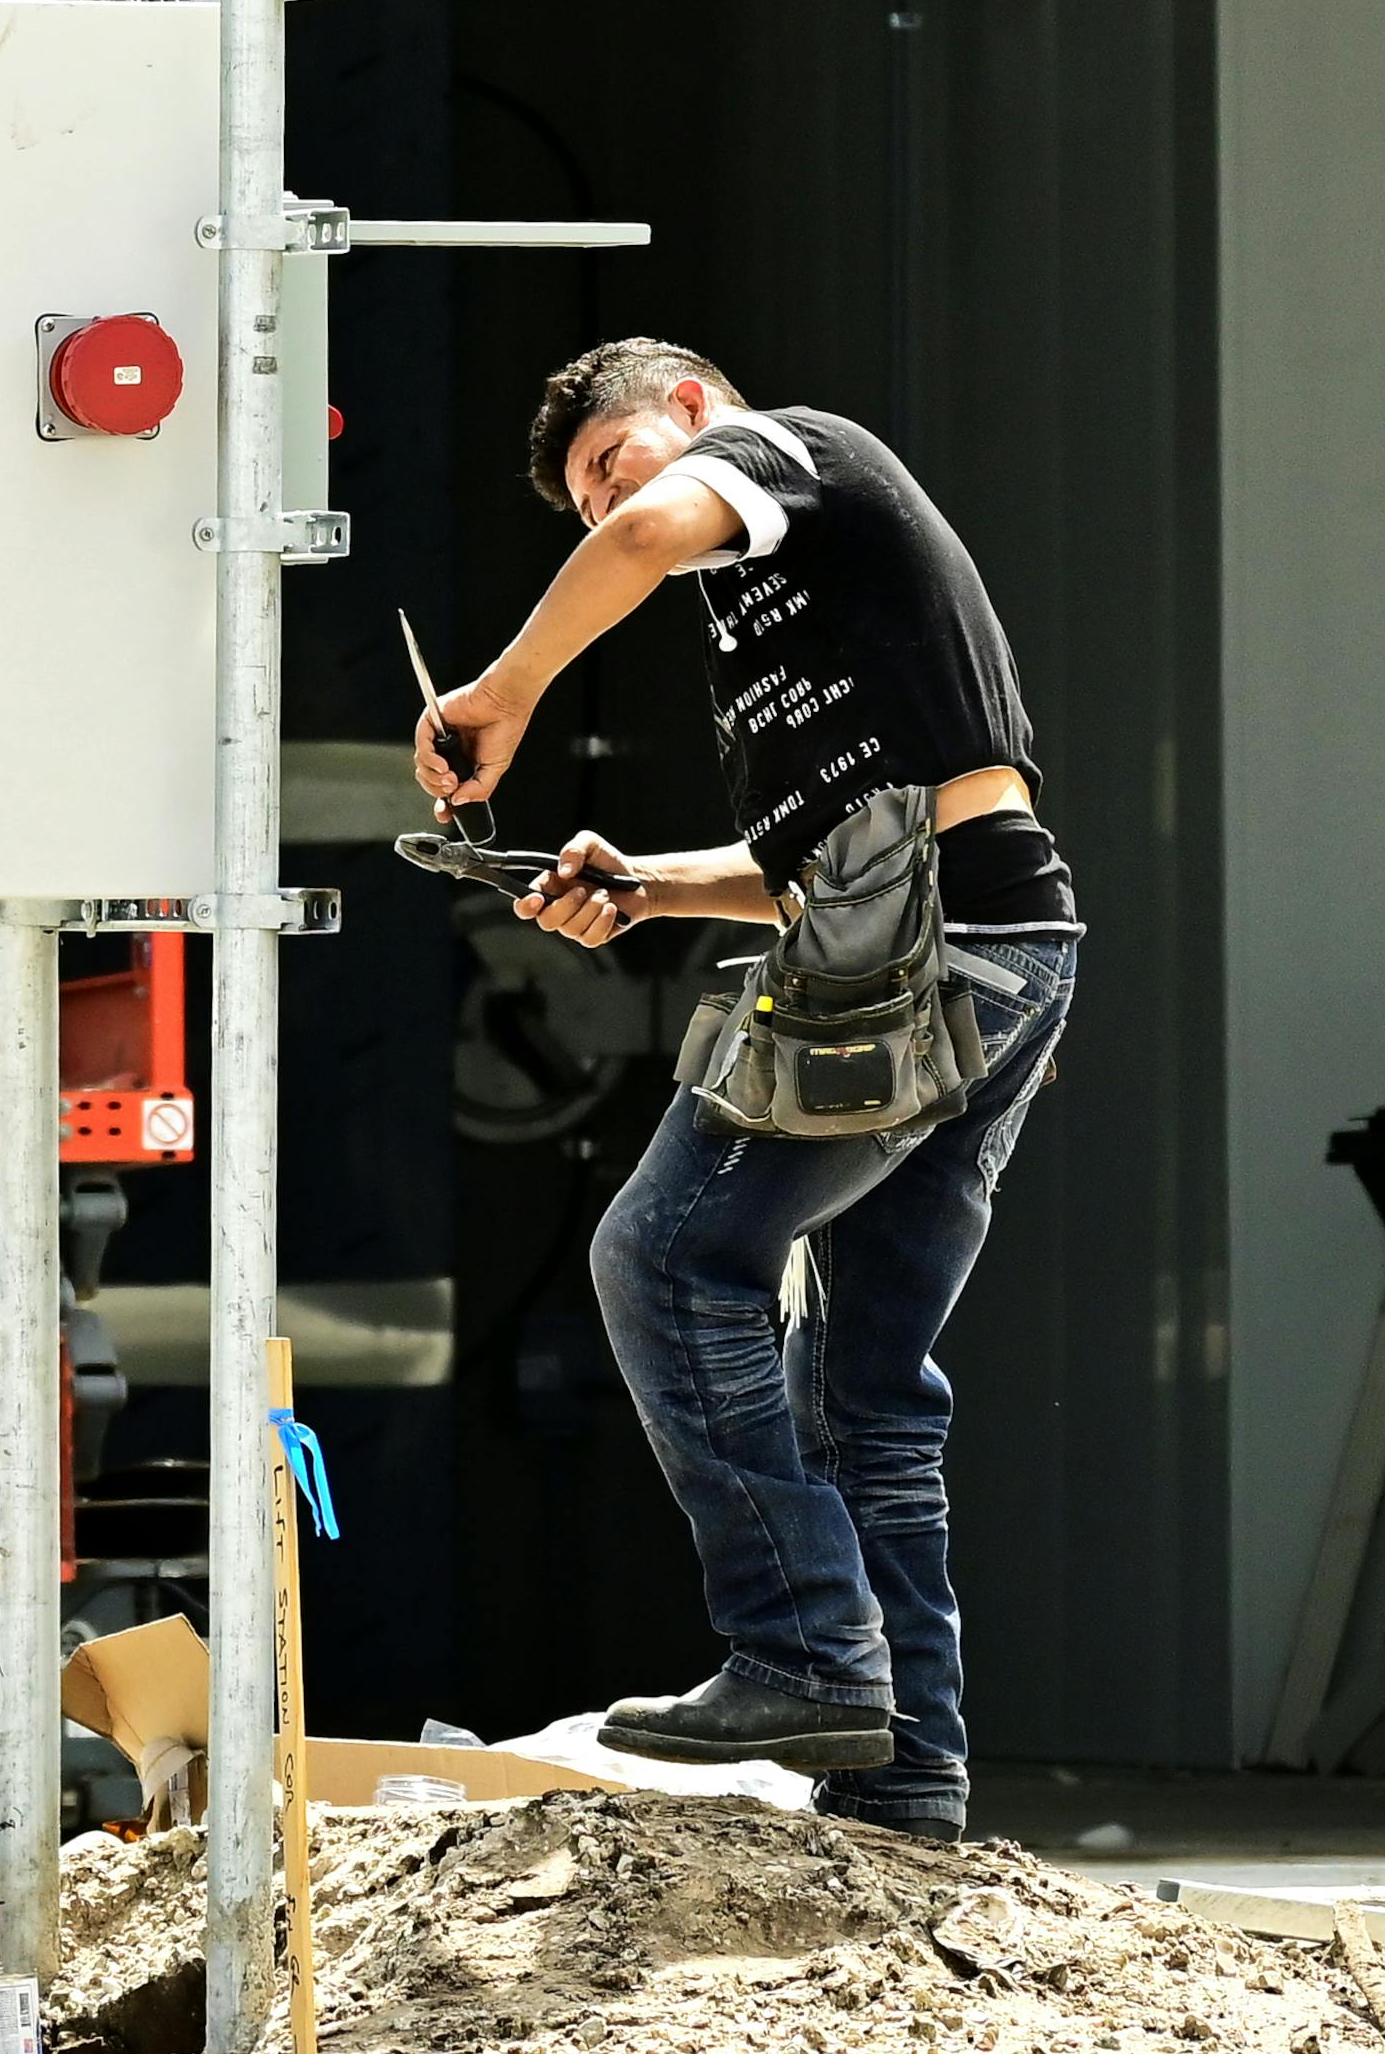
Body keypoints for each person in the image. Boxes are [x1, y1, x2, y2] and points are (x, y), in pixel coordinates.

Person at [415, 341, 1081, 1842]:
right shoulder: (796, 611)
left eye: (607, 467)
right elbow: (815, 869)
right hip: (994, 946)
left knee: (663, 1253)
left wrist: (504, 691)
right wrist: (643, 889)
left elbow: (649, 536)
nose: (606, 512)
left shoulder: (800, 449)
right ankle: (907, 1782)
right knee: (863, 1396)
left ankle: (796, 1645)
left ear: (695, 410)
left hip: (935, 960)